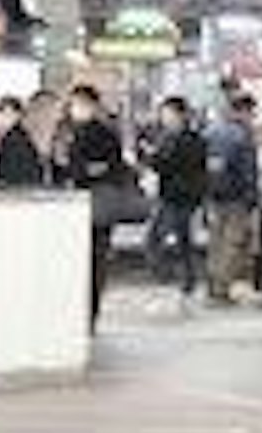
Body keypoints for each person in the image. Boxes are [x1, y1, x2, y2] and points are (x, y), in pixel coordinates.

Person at [56, 75, 132, 325]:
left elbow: (97, 168)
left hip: (93, 204)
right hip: (97, 204)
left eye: (77, 103)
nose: (74, 108)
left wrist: (77, 169)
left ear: (90, 104)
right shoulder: (83, 130)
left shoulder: (95, 132)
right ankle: (89, 313)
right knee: (95, 260)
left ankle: (87, 314)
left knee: (92, 261)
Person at [144, 82, 212, 305]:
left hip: (178, 196)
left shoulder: (181, 140)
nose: (163, 117)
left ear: (178, 115)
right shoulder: (186, 138)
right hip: (181, 196)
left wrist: (150, 156)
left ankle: (173, 277)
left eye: (166, 113)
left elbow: (167, 164)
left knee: (160, 237)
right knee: (181, 240)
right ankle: (184, 279)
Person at [204, 81, 262, 307]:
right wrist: (252, 198)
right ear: (244, 110)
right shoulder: (242, 135)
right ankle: (221, 289)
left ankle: (212, 285)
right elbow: (249, 171)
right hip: (237, 199)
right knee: (232, 244)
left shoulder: (211, 131)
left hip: (215, 196)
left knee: (216, 242)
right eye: (251, 111)